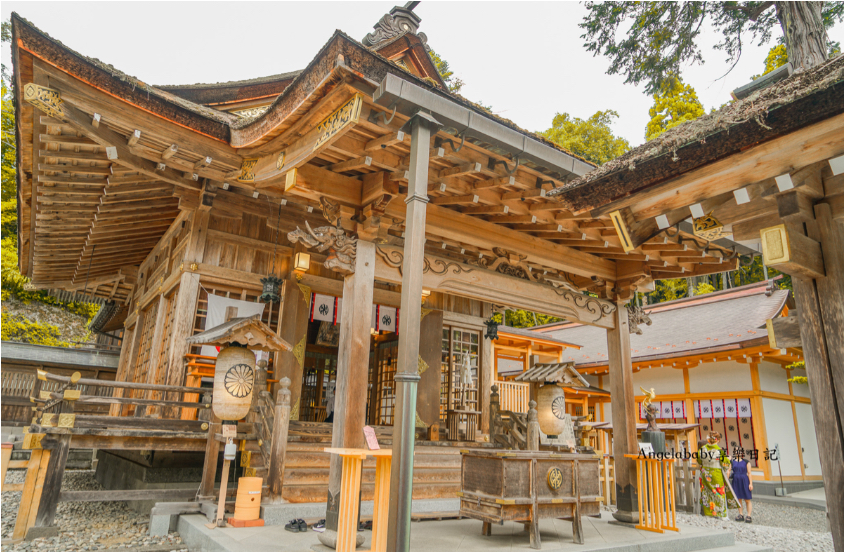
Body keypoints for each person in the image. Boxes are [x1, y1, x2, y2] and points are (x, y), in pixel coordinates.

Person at [697, 431, 739, 519]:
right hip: (716, 474)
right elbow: (725, 464)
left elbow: (699, 461)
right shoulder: (719, 451)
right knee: (719, 493)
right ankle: (721, 514)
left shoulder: (702, 449)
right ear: (718, 440)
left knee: (707, 492)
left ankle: (708, 513)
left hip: (705, 474)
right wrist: (729, 459)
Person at [730, 450, 753, 523]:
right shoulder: (732, 462)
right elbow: (728, 469)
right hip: (736, 480)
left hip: (744, 480)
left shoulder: (746, 462)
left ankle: (749, 515)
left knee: (747, 499)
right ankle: (741, 514)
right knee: (738, 499)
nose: (738, 452)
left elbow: (749, 473)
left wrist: (750, 483)